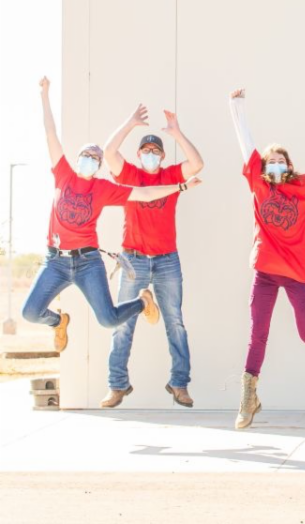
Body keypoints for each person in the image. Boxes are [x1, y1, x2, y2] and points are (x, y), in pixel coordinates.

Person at [23, 78, 200, 352]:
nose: (90, 159)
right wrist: (44, 95)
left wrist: (180, 187)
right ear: (77, 158)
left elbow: (145, 194)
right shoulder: (63, 174)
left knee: (108, 320)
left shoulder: (103, 188)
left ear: (98, 166)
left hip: (88, 262)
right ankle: (59, 322)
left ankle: (143, 302)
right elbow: (50, 133)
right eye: (86, 155)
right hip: (55, 261)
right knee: (30, 313)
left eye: (95, 159)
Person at [230, 88, 305, 430]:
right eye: (271, 161)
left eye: (280, 160)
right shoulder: (259, 185)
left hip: (296, 274)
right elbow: (246, 144)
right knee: (258, 333)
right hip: (265, 273)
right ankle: (248, 396)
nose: (275, 164)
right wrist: (236, 106)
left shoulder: (303, 187)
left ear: (289, 166)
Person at [98, 104, 205, 409]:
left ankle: (179, 383)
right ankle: (117, 385)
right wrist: (130, 123)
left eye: (155, 151)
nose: (150, 154)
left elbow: (197, 164)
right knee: (122, 324)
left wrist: (177, 133)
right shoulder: (130, 174)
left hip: (166, 259)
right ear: (139, 154)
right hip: (133, 258)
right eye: (145, 150)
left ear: (162, 156)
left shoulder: (170, 175)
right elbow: (109, 152)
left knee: (175, 322)